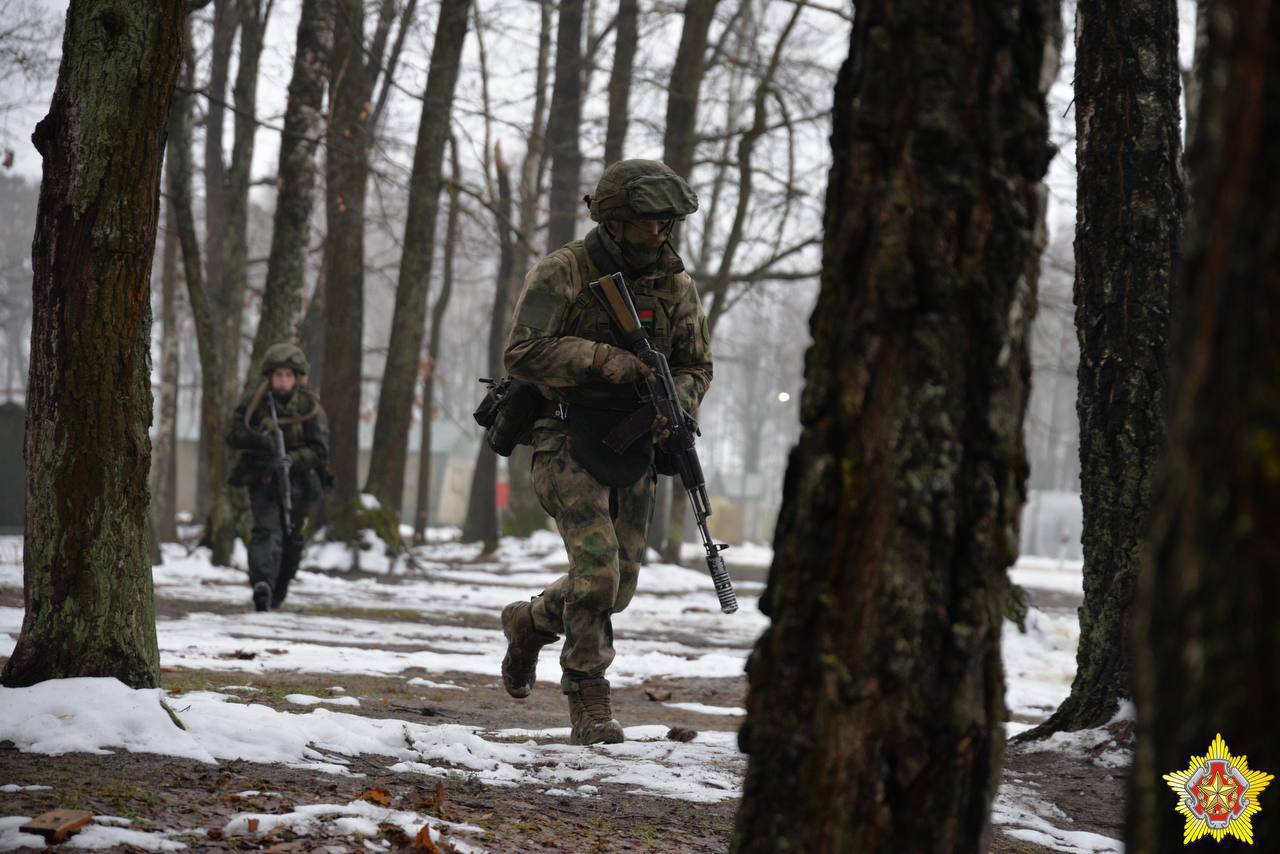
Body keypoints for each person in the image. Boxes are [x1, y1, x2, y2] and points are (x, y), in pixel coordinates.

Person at [498, 160, 714, 745]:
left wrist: (678, 402)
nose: (662, 233)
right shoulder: (565, 270)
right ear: (617, 222)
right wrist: (601, 360)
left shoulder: (676, 285)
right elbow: (521, 351)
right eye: (650, 222)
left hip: (634, 442)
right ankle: (589, 701)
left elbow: (697, 364)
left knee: (617, 584)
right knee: (596, 572)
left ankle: (530, 621)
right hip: (565, 435)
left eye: (668, 222)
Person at [226, 343, 329, 611]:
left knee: (291, 537)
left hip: (299, 482)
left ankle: (280, 587)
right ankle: (262, 584)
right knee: (266, 531)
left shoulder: (309, 407)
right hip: (264, 477)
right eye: (278, 375)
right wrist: (260, 440)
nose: (283, 381)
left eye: (288, 376)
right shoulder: (255, 403)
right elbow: (234, 434)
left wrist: (293, 459)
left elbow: (320, 450)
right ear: (270, 377)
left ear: (296, 378)